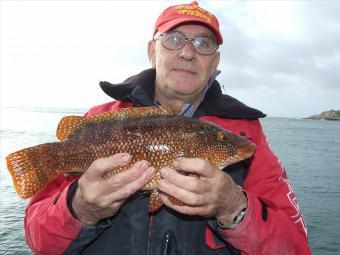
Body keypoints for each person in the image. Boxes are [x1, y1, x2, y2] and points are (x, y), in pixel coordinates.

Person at [24, 2, 311, 254]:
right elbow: (39, 242)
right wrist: (78, 208)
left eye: (203, 44)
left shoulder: (249, 134)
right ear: (152, 51)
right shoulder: (98, 120)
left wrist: (234, 208)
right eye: (174, 39)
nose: (188, 52)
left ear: (215, 62)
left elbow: (296, 247)